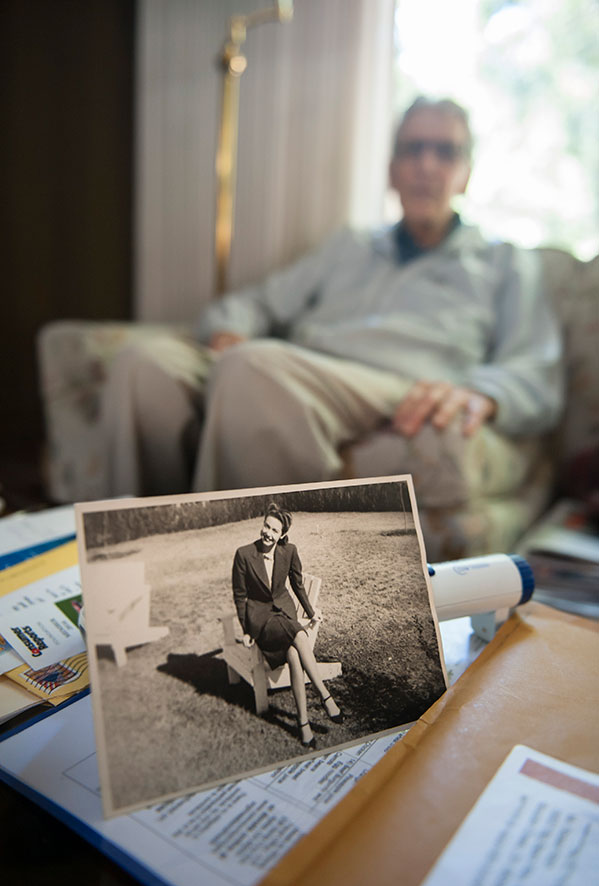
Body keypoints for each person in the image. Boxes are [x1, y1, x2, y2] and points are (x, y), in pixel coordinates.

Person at [101, 96, 564, 497]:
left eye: (445, 152)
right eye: (412, 149)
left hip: (395, 382)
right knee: (144, 366)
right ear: (391, 171)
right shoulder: (351, 244)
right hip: (302, 367)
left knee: (256, 369)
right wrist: (229, 331)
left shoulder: (504, 262)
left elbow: (537, 369)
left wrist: (482, 392)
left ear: (465, 174)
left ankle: (230, 586)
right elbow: (256, 302)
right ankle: (123, 572)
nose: (427, 164)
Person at [232, 503, 343, 748]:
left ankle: (303, 724)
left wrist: (312, 613)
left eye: (274, 530)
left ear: (282, 534)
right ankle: (325, 696)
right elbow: (240, 596)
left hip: (285, 613)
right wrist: (247, 630)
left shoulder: (289, 551)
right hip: (262, 621)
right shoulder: (244, 554)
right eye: (266, 526)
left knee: (294, 653)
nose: (268, 533)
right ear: (262, 524)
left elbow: (297, 585)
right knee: (300, 636)